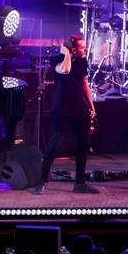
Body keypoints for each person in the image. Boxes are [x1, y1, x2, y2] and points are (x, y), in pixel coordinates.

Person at [34, 35, 98, 195]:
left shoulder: (82, 61)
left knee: (83, 145)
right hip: (62, 109)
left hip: (79, 108)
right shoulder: (57, 60)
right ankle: (42, 181)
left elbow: (84, 83)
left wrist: (91, 105)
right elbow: (66, 69)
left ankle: (80, 182)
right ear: (73, 49)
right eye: (82, 47)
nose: (85, 49)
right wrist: (66, 53)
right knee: (53, 145)